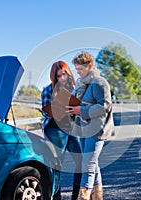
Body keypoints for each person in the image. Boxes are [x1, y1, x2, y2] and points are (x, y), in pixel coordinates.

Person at [67, 52, 114, 200]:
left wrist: (82, 110)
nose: (78, 72)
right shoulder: (81, 85)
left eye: (80, 69)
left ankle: (84, 195)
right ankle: (97, 196)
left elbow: (105, 106)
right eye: (76, 69)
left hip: (97, 129)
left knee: (88, 162)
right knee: (93, 163)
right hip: (83, 129)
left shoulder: (99, 82)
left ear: (90, 66)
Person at [41, 61, 83, 200]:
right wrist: (54, 109)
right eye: (59, 76)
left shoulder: (75, 88)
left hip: (72, 128)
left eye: (64, 74)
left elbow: (83, 108)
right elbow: (46, 112)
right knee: (57, 165)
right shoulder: (48, 89)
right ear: (54, 77)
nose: (62, 78)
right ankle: (56, 196)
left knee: (82, 162)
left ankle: (75, 196)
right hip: (55, 129)